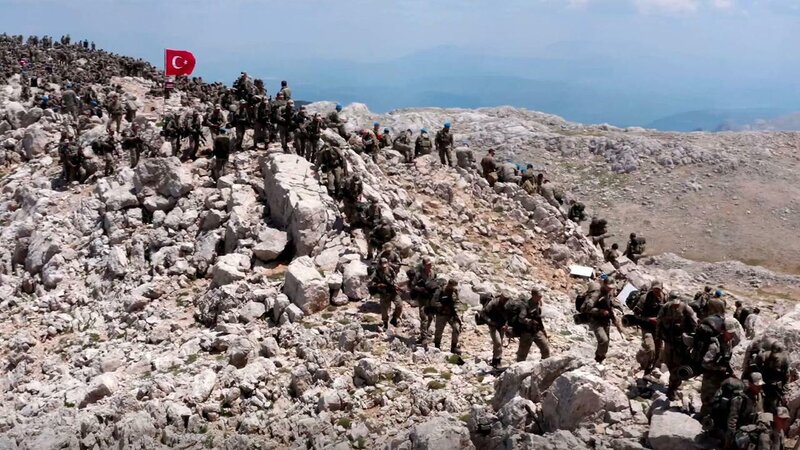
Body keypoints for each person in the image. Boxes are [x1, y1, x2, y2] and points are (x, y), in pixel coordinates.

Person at [656, 292, 698, 400]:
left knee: (677, 365)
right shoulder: (665, 308)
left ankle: (672, 388)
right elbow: (659, 322)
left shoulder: (686, 308)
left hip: (680, 343)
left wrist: (693, 338)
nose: (675, 306)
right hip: (668, 342)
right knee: (669, 363)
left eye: (676, 304)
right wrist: (658, 337)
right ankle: (673, 382)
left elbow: (694, 323)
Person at [707, 374, 763, 448]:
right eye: (757, 385)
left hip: (744, 426)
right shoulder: (739, 398)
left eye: (760, 385)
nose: (760, 387)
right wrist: (728, 442)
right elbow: (732, 420)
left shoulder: (757, 395)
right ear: (750, 384)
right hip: (728, 429)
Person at [699, 317, 740, 418]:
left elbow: (726, 359)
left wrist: (731, 371)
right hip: (710, 378)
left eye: (732, 333)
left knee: (718, 400)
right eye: (729, 333)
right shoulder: (714, 346)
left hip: (721, 377)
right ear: (723, 331)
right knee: (707, 401)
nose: (732, 335)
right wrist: (720, 368)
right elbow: (705, 363)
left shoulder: (729, 343)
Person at [581, 276, 618, 363]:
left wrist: (614, 319)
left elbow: (609, 307)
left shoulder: (608, 294)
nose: (610, 289)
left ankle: (600, 359)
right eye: (608, 287)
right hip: (595, 320)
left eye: (612, 288)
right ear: (604, 285)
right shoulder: (596, 295)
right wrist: (600, 311)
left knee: (606, 342)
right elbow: (586, 309)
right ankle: (597, 360)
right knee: (603, 340)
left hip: (605, 321)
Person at [632, 281, 666, 374]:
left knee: (658, 351)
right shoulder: (644, 299)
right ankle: (646, 370)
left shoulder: (665, 299)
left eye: (658, 289)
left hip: (659, 329)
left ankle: (650, 367)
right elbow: (636, 316)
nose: (656, 291)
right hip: (647, 327)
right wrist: (649, 319)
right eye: (655, 289)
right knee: (651, 348)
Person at [508, 288, 551, 362]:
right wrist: (530, 321)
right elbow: (521, 319)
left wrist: (543, 330)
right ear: (533, 295)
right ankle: (518, 369)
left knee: (545, 349)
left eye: (541, 296)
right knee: (522, 354)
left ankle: (545, 365)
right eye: (538, 296)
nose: (540, 298)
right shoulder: (525, 305)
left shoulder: (538, 304)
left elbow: (539, 318)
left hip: (536, 331)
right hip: (526, 332)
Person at [407, 257, 438, 344]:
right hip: (422, 298)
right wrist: (420, 289)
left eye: (430, 264)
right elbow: (413, 285)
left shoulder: (433, 273)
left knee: (431, 316)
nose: (430, 266)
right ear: (424, 265)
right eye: (428, 264)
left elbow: (435, 283)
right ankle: (423, 337)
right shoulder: (419, 274)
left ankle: (425, 333)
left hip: (430, 298)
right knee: (424, 317)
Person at [431, 279, 462, 354]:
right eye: (452, 286)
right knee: (439, 331)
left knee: (456, 327)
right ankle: (437, 346)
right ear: (449, 284)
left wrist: (456, 309)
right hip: (442, 313)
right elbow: (433, 302)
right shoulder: (441, 290)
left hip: (451, 314)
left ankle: (454, 347)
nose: (454, 288)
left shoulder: (455, 292)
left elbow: (458, 302)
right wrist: (442, 306)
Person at [478, 293, 510, 368]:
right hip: (493, 325)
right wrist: (490, 321)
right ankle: (497, 360)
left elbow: (509, 315)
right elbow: (483, 313)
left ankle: (495, 360)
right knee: (498, 342)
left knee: (499, 343)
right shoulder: (493, 302)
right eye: (504, 299)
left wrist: (506, 324)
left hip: (501, 325)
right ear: (501, 298)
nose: (505, 301)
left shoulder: (509, 305)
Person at [369, 258, 401, 330]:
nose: (384, 267)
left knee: (399, 305)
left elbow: (394, 277)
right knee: (384, 310)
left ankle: (394, 318)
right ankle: (385, 323)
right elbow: (371, 282)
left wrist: (395, 284)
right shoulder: (376, 271)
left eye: (385, 265)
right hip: (384, 292)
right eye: (382, 265)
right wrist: (378, 285)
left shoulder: (390, 269)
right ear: (380, 265)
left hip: (392, 291)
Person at [760, 341, 789, 414]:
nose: (775, 355)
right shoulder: (764, 356)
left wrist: (785, 392)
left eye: (777, 353)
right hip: (763, 385)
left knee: (774, 408)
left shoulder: (785, 360)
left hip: (776, 388)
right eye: (773, 352)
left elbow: (786, 377)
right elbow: (757, 371)